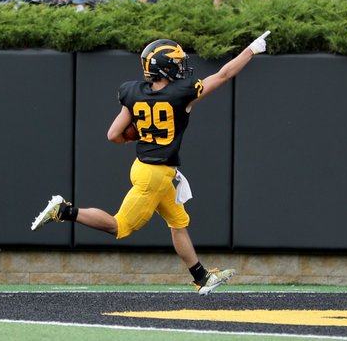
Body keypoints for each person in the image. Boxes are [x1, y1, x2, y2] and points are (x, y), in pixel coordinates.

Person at [29, 33, 272, 295]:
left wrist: (143, 133)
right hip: (155, 175)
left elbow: (113, 135)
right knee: (119, 226)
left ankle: (201, 277)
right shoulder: (181, 94)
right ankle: (64, 211)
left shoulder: (133, 92)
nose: (181, 67)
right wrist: (251, 50)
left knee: (178, 221)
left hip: (146, 167)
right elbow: (223, 75)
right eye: (177, 63)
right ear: (165, 67)